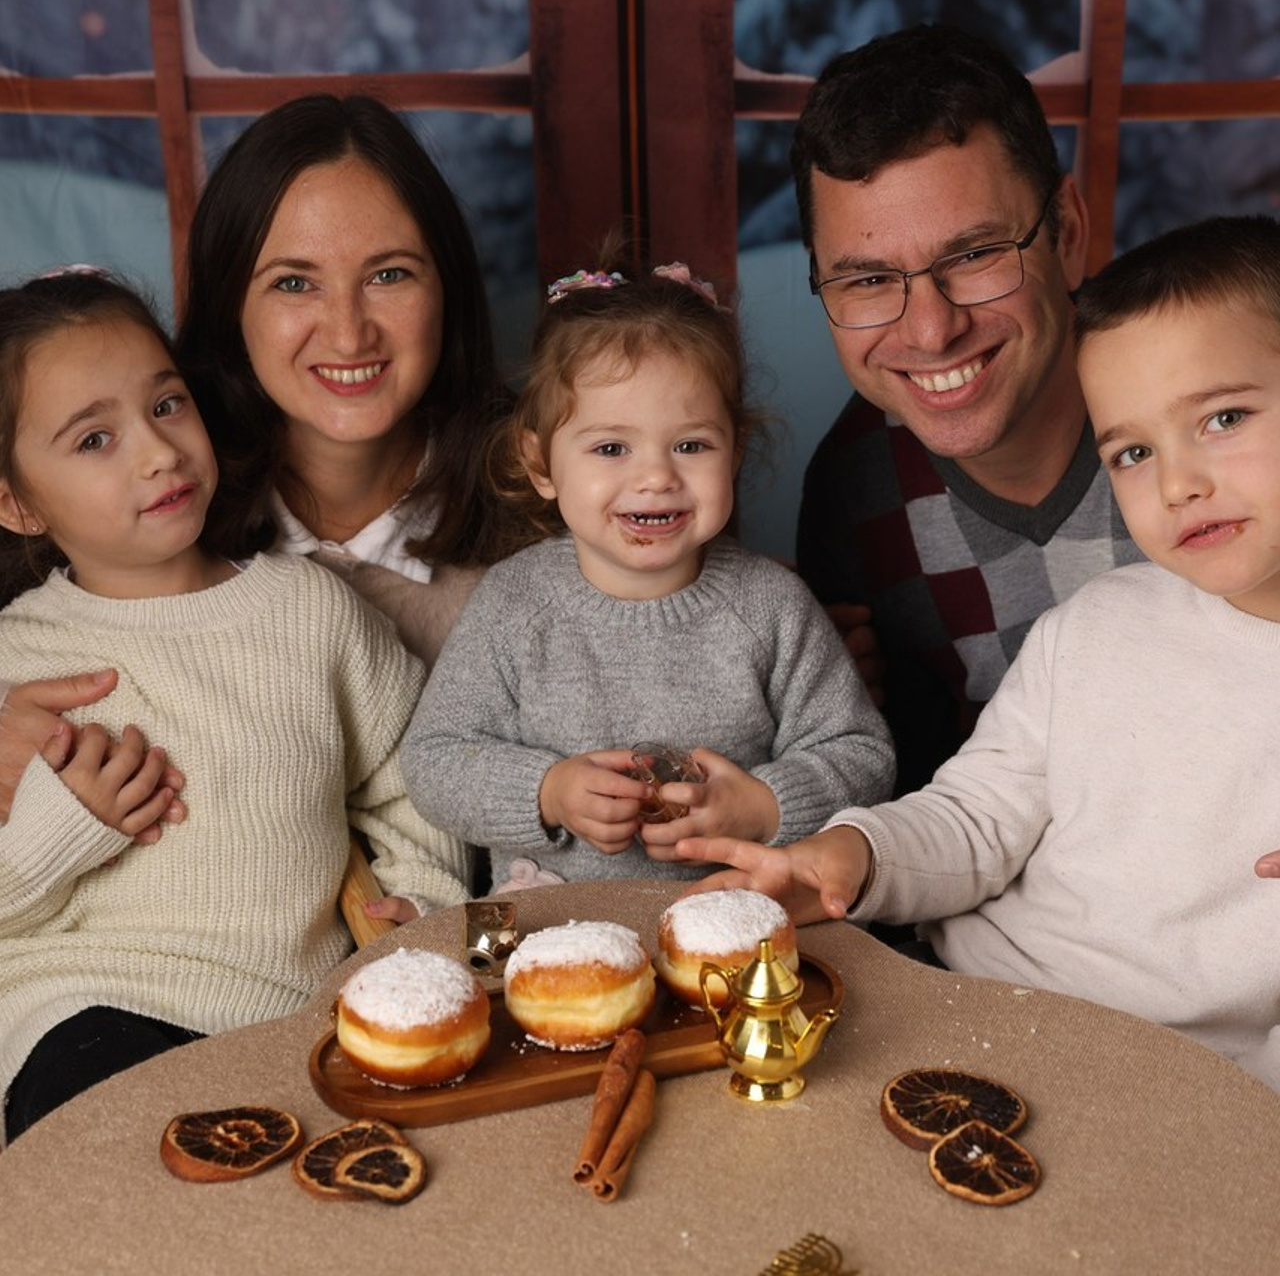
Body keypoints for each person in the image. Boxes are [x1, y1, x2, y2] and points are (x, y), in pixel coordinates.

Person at [674, 215, 1280, 1092]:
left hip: (1190, 1081)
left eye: (1224, 418)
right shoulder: (1095, 630)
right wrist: (849, 856)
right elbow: (976, 818)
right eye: (1133, 451)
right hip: (977, 1003)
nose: (1178, 483)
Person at [0, 271, 469, 1144]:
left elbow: (411, 772)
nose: (157, 452)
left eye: (167, 405)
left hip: (285, 1020)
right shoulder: (15, 661)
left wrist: (420, 903)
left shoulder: (309, 612)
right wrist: (54, 831)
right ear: (17, 502)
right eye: (96, 439)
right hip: (80, 1009)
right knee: (113, 1146)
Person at [0, 93, 514, 822]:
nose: (346, 333)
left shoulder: (564, 502)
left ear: (447, 290)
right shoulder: (147, 508)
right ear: (229, 305)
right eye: (294, 283)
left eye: (389, 274)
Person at [401, 262, 894, 890]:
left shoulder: (771, 606)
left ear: (736, 452)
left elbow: (863, 754)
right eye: (611, 448)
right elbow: (434, 761)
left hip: (729, 925)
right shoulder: (513, 602)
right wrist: (547, 792)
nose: (656, 477)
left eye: (691, 445)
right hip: (552, 936)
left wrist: (763, 807)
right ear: (540, 462)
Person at [792, 25, 1142, 792]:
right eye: (868, 280)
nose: (931, 329)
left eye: (976, 254)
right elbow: (907, 792)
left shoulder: (1203, 411)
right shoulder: (854, 485)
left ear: (1069, 234)